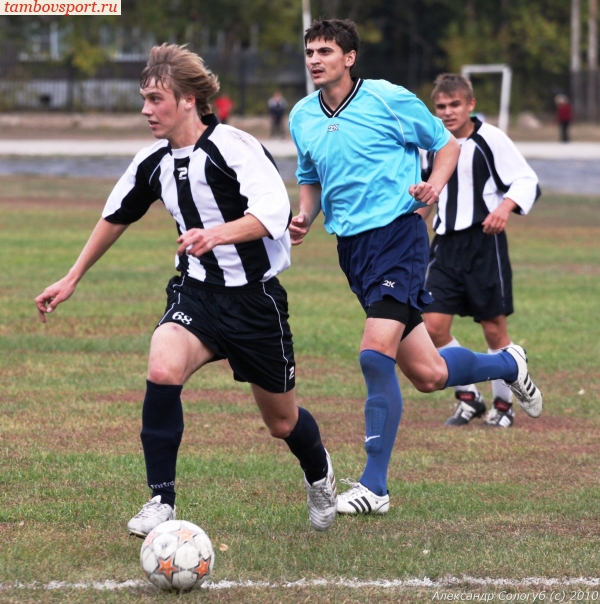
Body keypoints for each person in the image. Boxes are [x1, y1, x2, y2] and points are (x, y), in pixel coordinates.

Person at [35, 43, 337, 535]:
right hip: (195, 292)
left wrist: (214, 234)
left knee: (282, 422)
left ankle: (319, 470)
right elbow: (115, 216)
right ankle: (161, 499)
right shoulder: (152, 160)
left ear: (189, 100)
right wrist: (72, 277)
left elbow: (274, 212)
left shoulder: (235, 147)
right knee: (162, 365)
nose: (145, 109)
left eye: (156, 99)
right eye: (144, 98)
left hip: (253, 300)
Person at [288, 19, 543, 516]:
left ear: (350, 57)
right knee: (428, 374)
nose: (315, 59)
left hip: (399, 238)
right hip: (353, 252)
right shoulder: (302, 115)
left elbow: (447, 146)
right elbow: (310, 177)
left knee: (372, 353)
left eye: (325, 51)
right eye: (310, 51)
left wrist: (434, 187)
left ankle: (374, 486)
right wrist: (303, 215)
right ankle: (510, 363)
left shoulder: (388, 98)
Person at [420, 73, 541, 429]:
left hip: (484, 244)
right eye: (440, 106)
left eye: (455, 104)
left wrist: (504, 209)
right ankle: (469, 397)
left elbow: (525, 179)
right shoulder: (431, 143)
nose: (447, 112)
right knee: (432, 325)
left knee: (493, 330)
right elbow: (428, 190)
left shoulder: (490, 139)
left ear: (470, 105)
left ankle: (504, 406)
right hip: (444, 246)